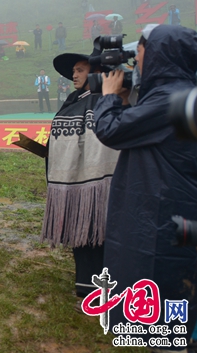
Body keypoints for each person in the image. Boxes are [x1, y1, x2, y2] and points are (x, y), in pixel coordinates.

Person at [93, 24, 197, 346]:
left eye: (139, 53)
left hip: (164, 211)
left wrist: (109, 97)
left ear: (159, 55)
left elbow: (111, 131)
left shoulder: (172, 99)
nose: (135, 61)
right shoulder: (181, 95)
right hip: (176, 209)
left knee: (163, 287)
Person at [43, 52, 119, 297]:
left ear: (96, 74)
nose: (74, 75)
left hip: (95, 183)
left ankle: (98, 289)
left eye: (80, 70)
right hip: (71, 180)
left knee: (96, 232)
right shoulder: (73, 100)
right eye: (73, 71)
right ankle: (87, 284)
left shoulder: (103, 101)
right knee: (81, 235)